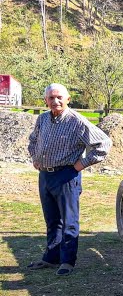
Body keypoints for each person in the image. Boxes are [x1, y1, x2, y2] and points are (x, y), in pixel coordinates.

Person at [27, 83, 112, 276]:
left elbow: (104, 143)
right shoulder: (42, 119)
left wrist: (81, 164)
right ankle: (51, 258)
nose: (55, 101)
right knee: (52, 220)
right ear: (46, 101)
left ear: (67, 99)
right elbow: (33, 140)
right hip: (45, 175)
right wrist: (35, 158)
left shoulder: (76, 121)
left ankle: (67, 261)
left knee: (69, 221)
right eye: (51, 98)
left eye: (59, 97)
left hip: (66, 175)